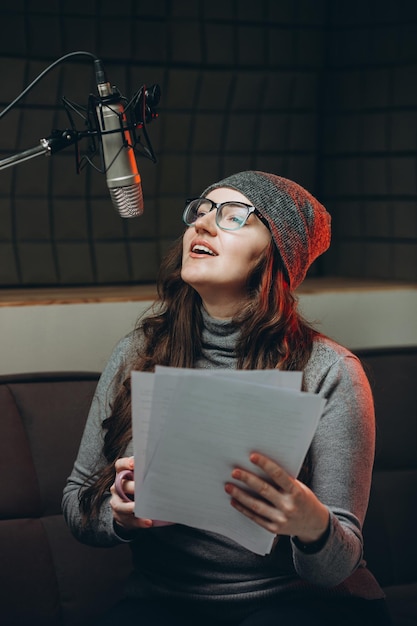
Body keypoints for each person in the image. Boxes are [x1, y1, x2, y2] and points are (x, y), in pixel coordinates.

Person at [62, 171, 392, 626]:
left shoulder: (331, 371)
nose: (203, 224)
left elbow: (337, 566)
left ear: (276, 254)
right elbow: (77, 503)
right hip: (163, 602)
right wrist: (119, 516)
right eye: (200, 211)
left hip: (297, 602)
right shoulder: (136, 353)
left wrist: (309, 522)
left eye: (234, 216)